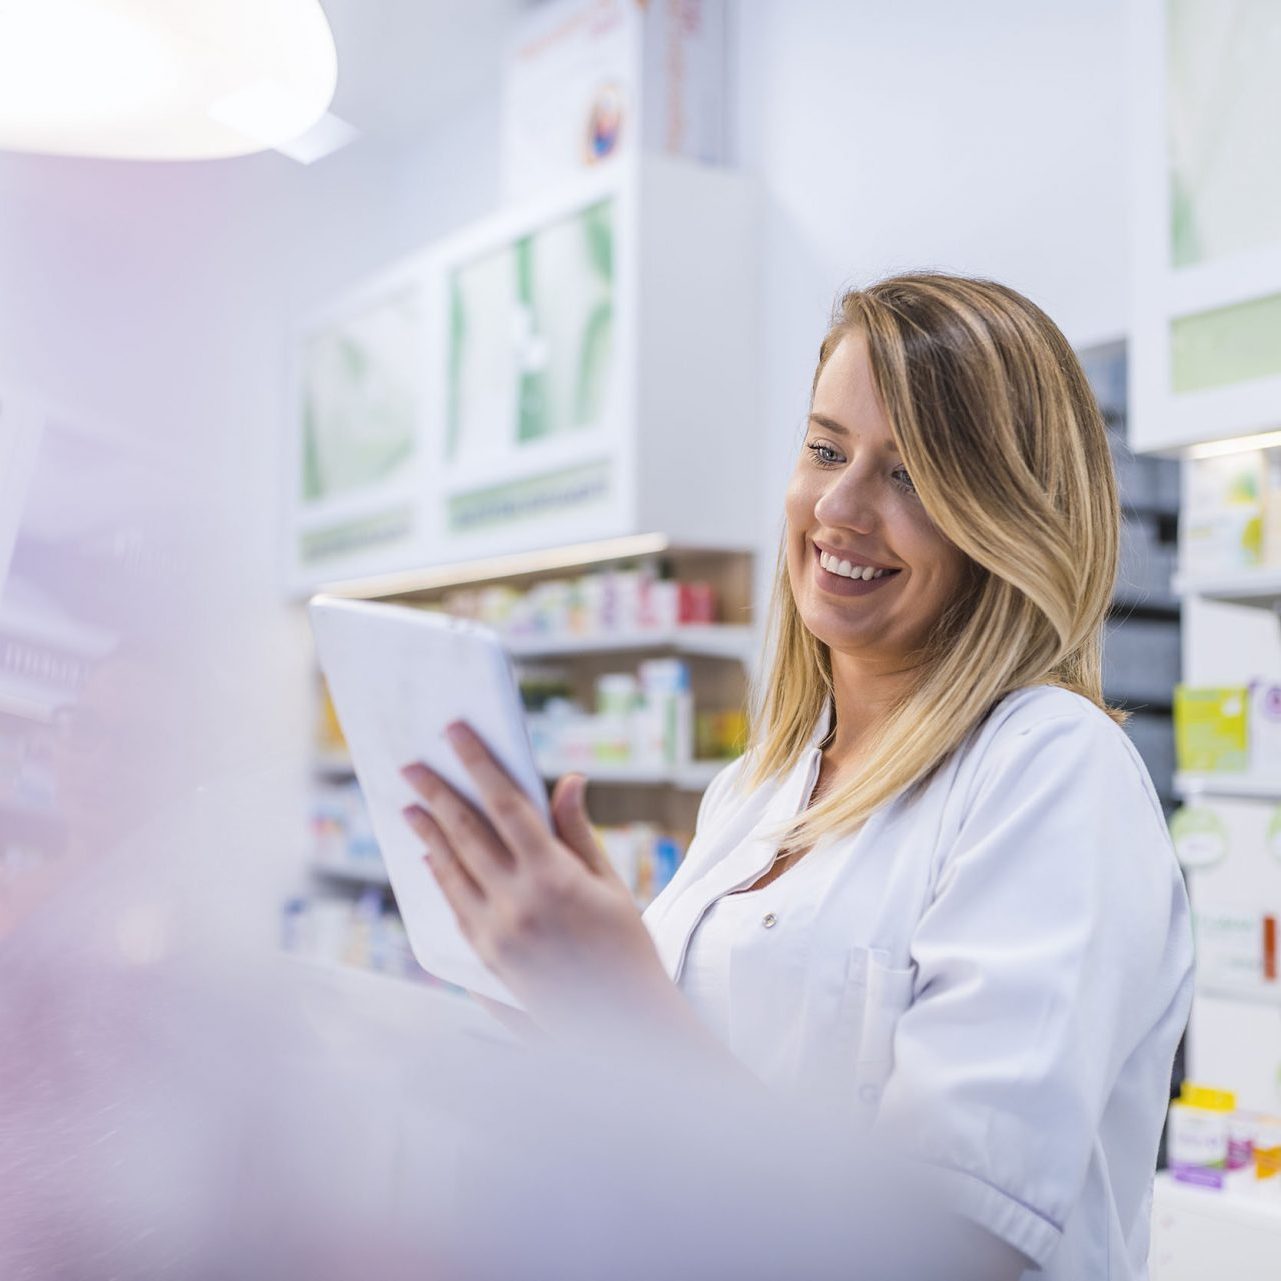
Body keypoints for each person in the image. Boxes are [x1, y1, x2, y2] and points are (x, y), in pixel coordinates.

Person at [401, 271, 1196, 1281]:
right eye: (825, 449)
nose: (840, 505)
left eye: (910, 475)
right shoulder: (755, 793)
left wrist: (622, 1004)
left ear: (1007, 515)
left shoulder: (1052, 770)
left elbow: (950, 1247)